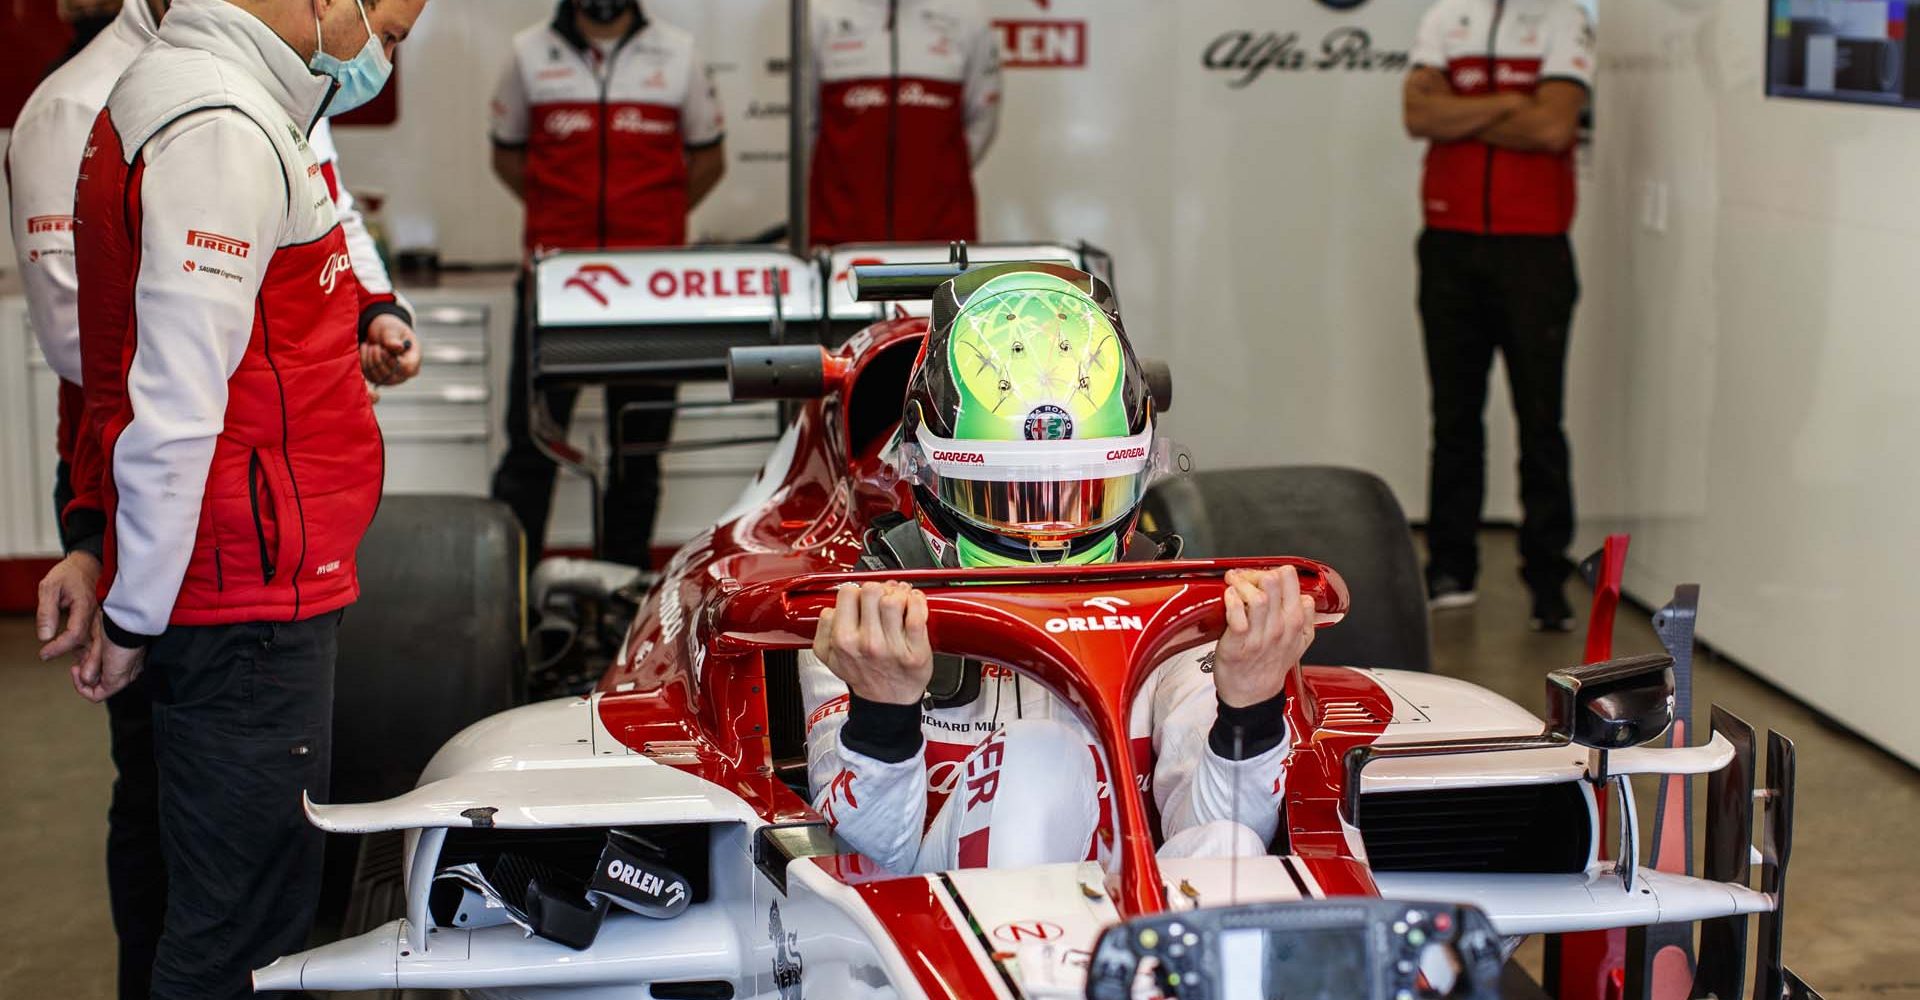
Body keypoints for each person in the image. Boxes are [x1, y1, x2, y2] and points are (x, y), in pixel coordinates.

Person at [7, 0, 418, 993]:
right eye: (389, 30)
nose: (384, 57)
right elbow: (172, 405)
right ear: (328, 3)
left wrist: (105, 554)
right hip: (246, 593)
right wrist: (132, 604)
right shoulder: (219, 123)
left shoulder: (226, 97)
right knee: (244, 930)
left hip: (239, 569)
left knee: (210, 896)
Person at [801, 268, 1313, 873]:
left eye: (1082, 493)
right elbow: (862, 864)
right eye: (1010, 498)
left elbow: (1218, 829)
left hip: (1123, 934)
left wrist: (1249, 710)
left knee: (1229, 847)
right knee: (1039, 759)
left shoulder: (1175, 613)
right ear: (929, 476)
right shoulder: (863, 620)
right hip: (932, 930)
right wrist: (883, 715)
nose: (1050, 534)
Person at [488, 0, 726, 568]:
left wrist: (651, 226)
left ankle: (622, 599)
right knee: (530, 451)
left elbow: (708, 161)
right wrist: (564, 223)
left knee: (638, 455)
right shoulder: (527, 53)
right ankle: (512, 603)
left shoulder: (679, 53)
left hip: (651, 291)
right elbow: (508, 158)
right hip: (553, 287)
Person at [1402, 0, 1594, 631]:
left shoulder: (1565, 18)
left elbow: (1552, 129)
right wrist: (1512, 104)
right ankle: (1452, 567)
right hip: (1449, 242)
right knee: (1453, 415)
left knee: (1542, 418)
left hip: (1535, 247)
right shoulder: (1444, 18)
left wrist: (1462, 113)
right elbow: (1417, 113)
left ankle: (1547, 577)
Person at [807, 0, 1002, 246]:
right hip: (839, 234)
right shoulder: (820, 13)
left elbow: (982, 120)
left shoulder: (966, 15)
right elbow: (806, 124)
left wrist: (937, 177)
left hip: (943, 234)